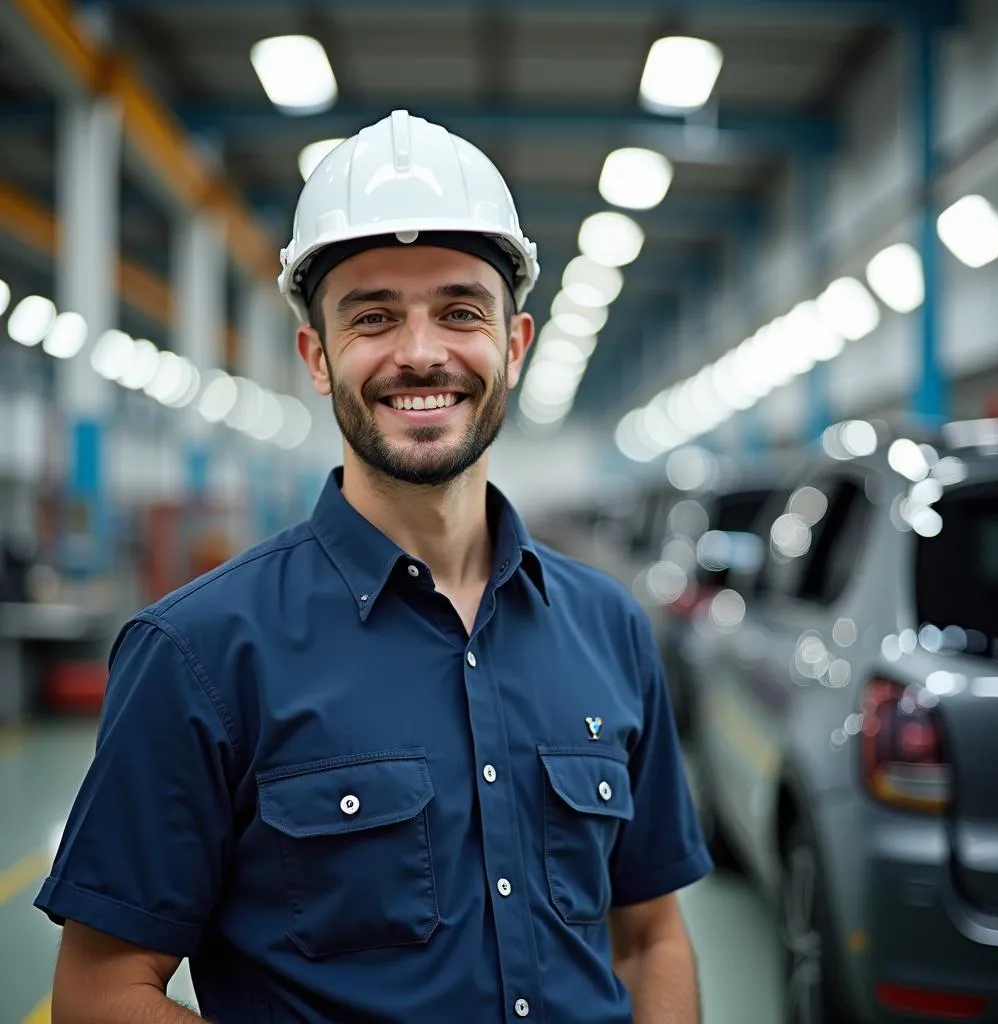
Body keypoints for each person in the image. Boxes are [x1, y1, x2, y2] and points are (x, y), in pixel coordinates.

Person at [36, 109, 713, 1024]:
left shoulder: (610, 628)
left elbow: (650, 937)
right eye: (374, 317)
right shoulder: (198, 653)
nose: (422, 352)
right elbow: (100, 990)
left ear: (514, 344)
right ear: (318, 356)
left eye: (461, 310)